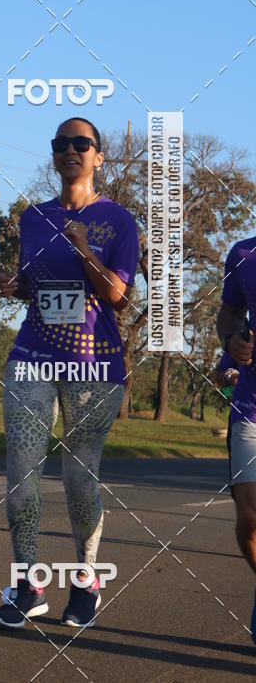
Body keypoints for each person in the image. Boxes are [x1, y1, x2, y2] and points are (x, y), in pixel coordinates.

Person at [0, 117, 139, 629]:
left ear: (99, 157)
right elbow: (39, 285)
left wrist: (82, 247)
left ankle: (86, 580)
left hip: (93, 363)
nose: (71, 150)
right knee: (20, 471)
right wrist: (18, 285)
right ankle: (28, 584)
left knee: (79, 477)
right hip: (32, 354)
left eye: (82, 144)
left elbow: (117, 295)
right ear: (54, 156)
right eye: (61, 144)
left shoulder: (118, 221)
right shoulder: (32, 217)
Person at [216, 240, 256, 644]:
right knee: (249, 519)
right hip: (251, 409)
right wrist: (232, 342)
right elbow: (228, 315)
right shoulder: (243, 255)